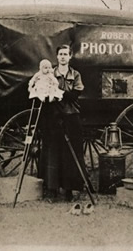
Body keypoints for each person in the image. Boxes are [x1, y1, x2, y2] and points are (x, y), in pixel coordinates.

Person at [39, 45, 86, 202]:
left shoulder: (76, 75)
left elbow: (74, 96)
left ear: (70, 56)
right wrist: (54, 95)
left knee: (71, 153)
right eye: (60, 54)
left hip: (72, 117)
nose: (63, 57)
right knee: (53, 152)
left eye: (66, 54)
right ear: (57, 57)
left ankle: (69, 190)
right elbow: (43, 91)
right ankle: (52, 190)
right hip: (53, 117)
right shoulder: (50, 73)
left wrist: (58, 93)